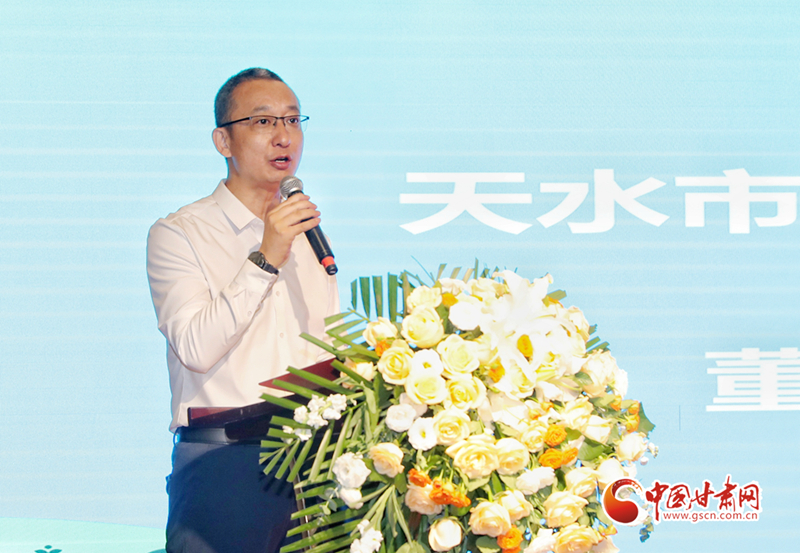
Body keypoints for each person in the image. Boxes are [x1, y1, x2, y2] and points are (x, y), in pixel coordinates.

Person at [146, 68, 339, 553]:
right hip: (226, 465)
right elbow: (195, 346)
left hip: (316, 465)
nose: (283, 136)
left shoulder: (308, 233)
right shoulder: (179, 234)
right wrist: (266, 255)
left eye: (293, 120)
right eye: (263, 121)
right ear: (223, 141)